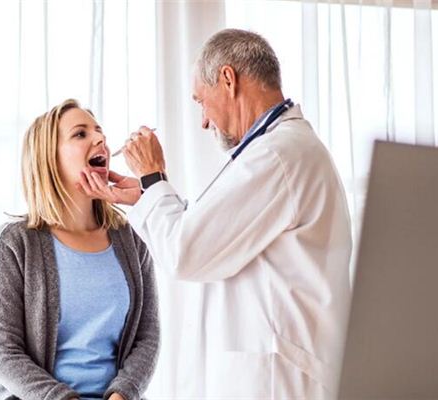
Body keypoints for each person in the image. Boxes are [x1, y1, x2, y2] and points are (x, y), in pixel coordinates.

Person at [79, 29, 353, 399]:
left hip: (279, 383)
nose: (204, 121)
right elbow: (213, 236)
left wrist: (153, 176)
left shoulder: (278, 156)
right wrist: (146, 195)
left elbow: (187, 253)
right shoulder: (277, 152)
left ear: (228, 79)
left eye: (201, 102)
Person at [0, 99, 160, 400]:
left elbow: (147, 337)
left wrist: (122, 396)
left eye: (99, 132)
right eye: (80, 134)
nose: (100, 139)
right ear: (49, 158)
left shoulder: (132, 240)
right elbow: (2, 353)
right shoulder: (11, 245)